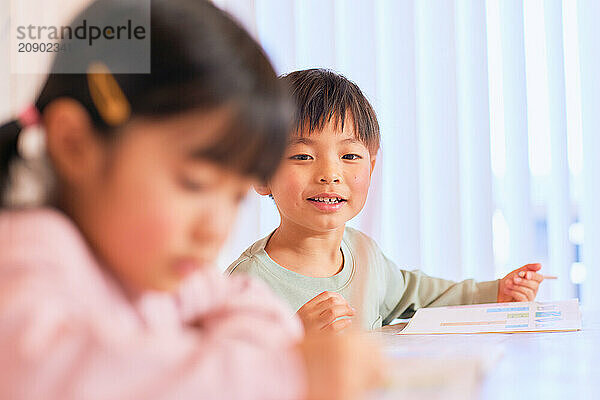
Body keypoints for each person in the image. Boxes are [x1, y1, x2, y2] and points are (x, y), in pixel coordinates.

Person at [0, 4, 381, 399]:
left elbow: (249, 305)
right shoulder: (27, 251)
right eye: (194, 184)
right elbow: (53, 377)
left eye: (234, 197)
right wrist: (284, 372)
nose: (215, 228)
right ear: (74, 144)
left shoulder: (155, 265)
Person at [227, 68, 547, 332]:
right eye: (302, 155)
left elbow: (418, 295)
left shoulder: (365, 255)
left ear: (372, 166)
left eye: (349, 155)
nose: (329, 174)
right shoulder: (245, 285)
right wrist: (292, 341)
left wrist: (493, 292)